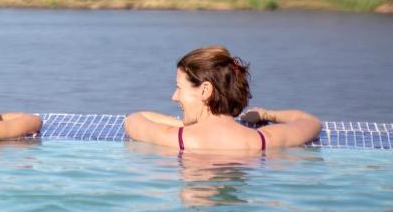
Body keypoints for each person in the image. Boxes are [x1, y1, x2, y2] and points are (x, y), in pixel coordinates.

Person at [124, 46, 321, 151]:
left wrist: (184, 126)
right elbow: (311, 123)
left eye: (179, 88)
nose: (174, 97)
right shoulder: (262, 141)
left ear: (205, 91)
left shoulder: (176, 140)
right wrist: (265, 114)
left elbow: (133, 120)